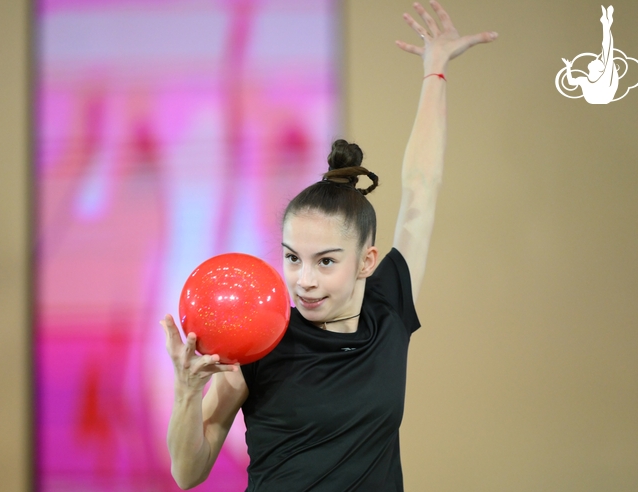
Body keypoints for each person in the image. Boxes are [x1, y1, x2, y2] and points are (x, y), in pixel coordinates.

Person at [161, 1, 497, 490]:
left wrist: (434, 71)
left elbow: (422, 186)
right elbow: (187, 473)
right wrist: (188, 393)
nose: (305, 279)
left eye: (326, 261)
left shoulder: (389, 309)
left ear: (367, 262)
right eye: (293, 258)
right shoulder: (257, 342)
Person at [561, 5, 618, 104]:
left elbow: (607, 48)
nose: (594, 59)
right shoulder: (587, 80)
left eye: (596, 61)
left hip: (602, 96)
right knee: (607, 51)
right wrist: (568, 67)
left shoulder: (602, 78)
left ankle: (606, 24)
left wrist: (568, 67)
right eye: (597, 60)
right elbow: (571, 82)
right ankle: (606, 24)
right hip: (600, 97)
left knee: (607, 50)